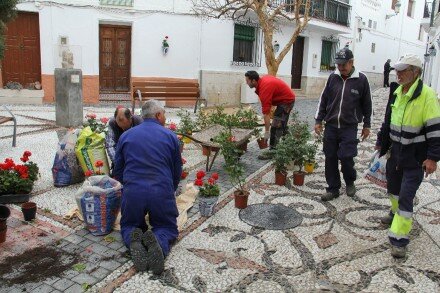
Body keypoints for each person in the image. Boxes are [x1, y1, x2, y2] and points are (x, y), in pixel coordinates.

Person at [376, 54, 440, 258]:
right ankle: (394, 213)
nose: (399, 73)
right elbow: (388, 120)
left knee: (405, 196)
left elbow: (435, 129)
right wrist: (381, 141)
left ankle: (399, 239)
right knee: (393, 190)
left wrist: (432, 158)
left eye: (404, 70)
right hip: (395, 153)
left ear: (416, 72)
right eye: (398, 70)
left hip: (415, 157)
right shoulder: (396, 91)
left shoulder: (427, 95)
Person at [113, 100, 182, 274]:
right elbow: (176, 171)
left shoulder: (126, 136)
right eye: (164, 114)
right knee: (166, 227)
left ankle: (134, 239)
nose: (165, 117)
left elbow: (118, 170)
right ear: (158, 115)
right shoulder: (170, 136)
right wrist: (169, 191)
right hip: (161, 190)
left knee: (129, 225)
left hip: (134, 191)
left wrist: (128, 187)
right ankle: (158, 242)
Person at [314, 47, 372, 201]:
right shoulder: (332, 77)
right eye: (338, 65)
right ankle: (333, 189)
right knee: (330, 157)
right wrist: (318, 120)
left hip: (349, 127)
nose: (340, 68)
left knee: (347, 156)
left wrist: (367, 125)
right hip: (331, 126)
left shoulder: (361, 79)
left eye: (343, 65)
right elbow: (323, 100)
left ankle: (350, 180)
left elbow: (367, 104)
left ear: (351, 62)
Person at [245, 71, 295, 160]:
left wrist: (267, 132)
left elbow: (266, 114)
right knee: (281, 124)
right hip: (285, 99)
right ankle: (292, 145)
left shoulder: (265, 88)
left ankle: (272, 151)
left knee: (276, 125)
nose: (246, 82)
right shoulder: (262, 83)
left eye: (247, 80)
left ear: (253, 81)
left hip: (286, 101)